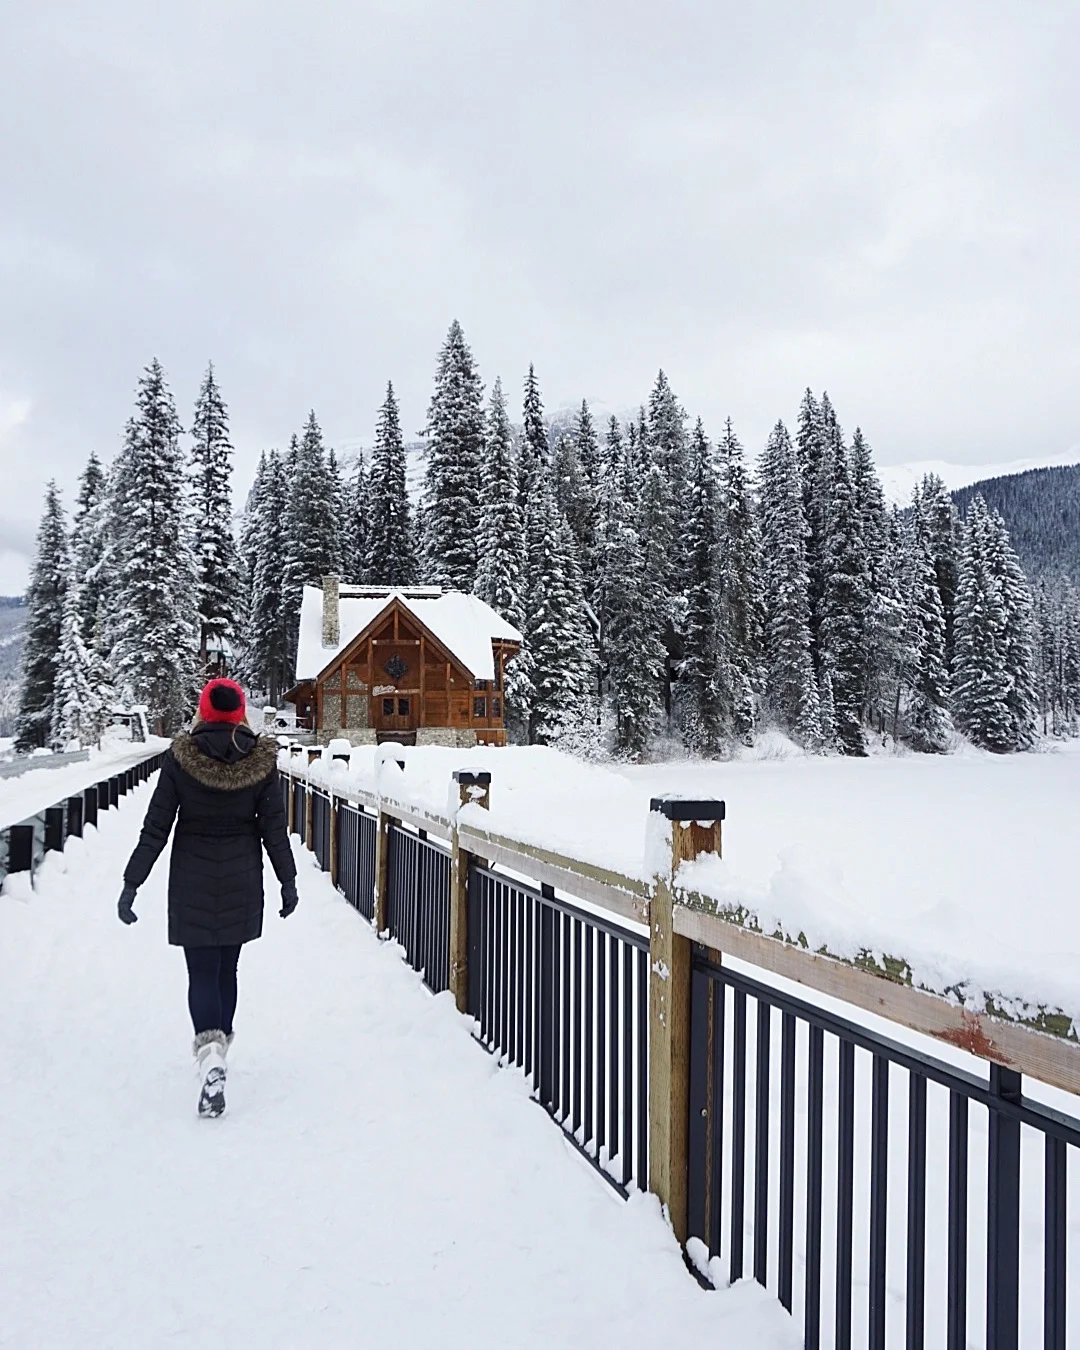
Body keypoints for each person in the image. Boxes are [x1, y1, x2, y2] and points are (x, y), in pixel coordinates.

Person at [117, 678, 298, 1118]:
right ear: (240, 712)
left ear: (203, 710)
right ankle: (221, 1048)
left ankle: (209, 1051)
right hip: (241, 873)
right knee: (227, 967)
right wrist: (287, 881)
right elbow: (275, 828)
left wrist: (132, 882)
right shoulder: (261, 761)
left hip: (192, 874)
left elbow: (156, 826)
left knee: (200, 969)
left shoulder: (181, 758)